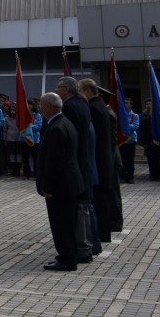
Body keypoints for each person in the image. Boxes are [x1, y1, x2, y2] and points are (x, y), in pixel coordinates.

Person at [36, 92, 86, 271]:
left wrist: (47, 187)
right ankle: (68, 254)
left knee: (61, 225)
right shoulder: (65, 122)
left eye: (41, 105)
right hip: (69, 183)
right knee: (67, 223)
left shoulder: (57, 128)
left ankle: (67, 259)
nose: (40, 108)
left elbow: (54, 162)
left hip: (60, 187)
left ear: (48, 106)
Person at [56, 77, 97, 265]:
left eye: (58, 87)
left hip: (75, 164)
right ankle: (88, 246)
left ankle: (83, 248)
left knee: (79, 210)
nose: (56, 90)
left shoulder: (70, 107)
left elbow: (69, 138)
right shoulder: (81, 104)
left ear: (66, 89)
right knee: (84, 208)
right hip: (83, 162)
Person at [81, 79, 123, 244]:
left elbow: (110, 141)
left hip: (108, 159)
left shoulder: (101, 112)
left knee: (109, 196)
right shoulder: (104, 110)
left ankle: (112, 225)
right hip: (107, 159)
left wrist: (110, 162)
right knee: (108, 196)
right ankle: (110, 225)